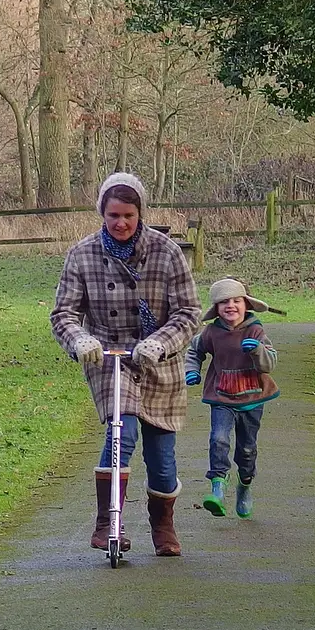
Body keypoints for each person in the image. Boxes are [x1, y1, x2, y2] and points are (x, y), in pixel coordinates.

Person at [51, 173, 200, 557]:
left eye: (128, 215)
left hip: (158, 361)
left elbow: (188, 313)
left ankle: (162, 524)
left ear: (140, 214)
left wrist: (158, 343)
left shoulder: (167, 252)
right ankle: (107, 523)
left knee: (162, 461)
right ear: (101, 212)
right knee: (123, 432)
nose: (121, 223)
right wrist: (79, 340)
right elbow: (63, 314)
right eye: (113, 214)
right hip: (108, 358)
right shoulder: (82, 255)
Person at [184, 278, 282, 519]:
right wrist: (192, 370)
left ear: (246, 304)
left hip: (252, 398)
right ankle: (217, 488)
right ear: (216, 308)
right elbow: (194, 351)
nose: (231, 306)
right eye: (224, 302)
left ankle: (245, 485)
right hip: (222, 397)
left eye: (236, 301)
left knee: (247, 449)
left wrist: (258, 351)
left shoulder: (255, 330)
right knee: (218, 439)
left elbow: (270, 363)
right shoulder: (211, 333)